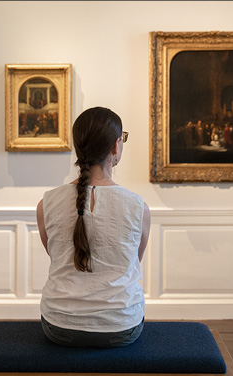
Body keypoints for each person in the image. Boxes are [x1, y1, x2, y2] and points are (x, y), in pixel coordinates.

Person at [36, 106, 151, 348]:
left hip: (59, 324)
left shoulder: (46, 203)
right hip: (121, 326)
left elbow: (55, 255)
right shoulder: (137, 206)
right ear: (116, 147)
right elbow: (132, 262)